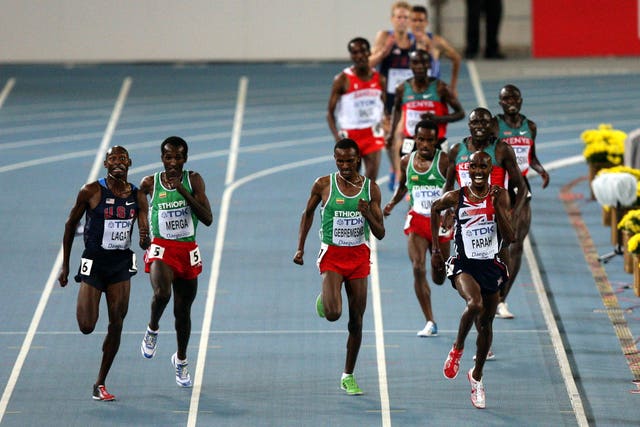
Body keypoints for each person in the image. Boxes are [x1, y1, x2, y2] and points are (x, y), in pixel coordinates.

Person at [293, 138, 385, 395]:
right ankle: (326, 297)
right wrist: (300, 247)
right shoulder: (323, 185)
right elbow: (307, 213)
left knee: (356, 321)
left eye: (349, 160)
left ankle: (348, 375)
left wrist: (367, 214)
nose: (345, 165)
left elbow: (381, 233)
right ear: (335, 159)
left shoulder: (371, 189)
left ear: (358, 159)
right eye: (340, 160)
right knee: (333, 314)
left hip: (358, 259)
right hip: (332, 256)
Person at [58, 146, 149, 401]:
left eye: (122, 159)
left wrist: (144, 237)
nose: (118, 162)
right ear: (106, 165)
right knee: (87, 326)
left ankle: (100, 383)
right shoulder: (91, 191)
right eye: (112, 159)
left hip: (120, 265)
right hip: (94, 262)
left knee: (117, 324)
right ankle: (89, 300)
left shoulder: (138, 196)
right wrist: (66, 265)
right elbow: (69, 225)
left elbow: (144, 227)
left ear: (129, 162)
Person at [431, 150, 515, 409]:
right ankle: (457, 349)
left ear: (490, 170)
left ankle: (476, 376)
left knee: (487, 324)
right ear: (467, 170)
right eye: (474, 167)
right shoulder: (457, 197)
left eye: (483, 167)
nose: (478, 171)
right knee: (474, 304)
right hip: (464, 265)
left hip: (490, 265)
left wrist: (495, 206)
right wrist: (436, 248)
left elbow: (510, 237)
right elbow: (434, 208)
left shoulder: (499, 195)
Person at [139, 136, 213, 388]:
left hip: (187, 249)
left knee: (183, 312)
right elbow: (137, 209)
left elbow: (207, 218)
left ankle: (180, 359)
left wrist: (183, 191)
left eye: (177, 157)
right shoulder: (150, 183)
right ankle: (152, 329)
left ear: (185, 159)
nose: (172, 162)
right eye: (168, 157)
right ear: (162, 158)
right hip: (161, 247)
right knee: (162, 293)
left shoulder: (194, 180)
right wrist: (142, 232)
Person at [383, 120, 452, 337]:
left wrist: (451, 212)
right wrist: (393, 203)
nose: (424, 144)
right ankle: (430, 321)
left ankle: (438, 272)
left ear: (436, 141)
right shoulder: (406, 161)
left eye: (429, 140)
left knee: (440, 277)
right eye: (420, 139)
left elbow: (455, 189)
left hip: (440, 226)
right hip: (417, 220)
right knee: (417, 267)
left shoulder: (445, 162)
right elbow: (403, 186)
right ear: (415, 139)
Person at [492, 84, 550, 319]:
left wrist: (541, 170)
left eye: (515, 97)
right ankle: (490, 290)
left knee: (517, 246)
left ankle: (502, 299)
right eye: (506, 98)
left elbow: (531, 156)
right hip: (502, 186)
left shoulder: (530, 126)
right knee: (497, 244)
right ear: (501, 103)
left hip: (522, 186)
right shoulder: (496, 125)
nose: (511, 101)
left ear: (521, 100)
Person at [388, 49, 464, 187]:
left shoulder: (440, 87)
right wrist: (391, 134)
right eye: (416, 63)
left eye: (424, 63)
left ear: (429, 65)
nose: (420, 66)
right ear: (410, 65)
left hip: (437, 142)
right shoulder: (402, 88)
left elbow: (460, 113)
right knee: (411, 182)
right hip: (411, 142)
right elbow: (397, 109)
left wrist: (437, 119)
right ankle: (413, 207)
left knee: (441, 181)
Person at [327, 37, 386, 181]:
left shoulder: (379, 79)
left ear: (369, 52)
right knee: (350, 181)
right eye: (355, 52)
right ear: (351, 55)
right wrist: (337, 137)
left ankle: (367, 204)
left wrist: (386, 123)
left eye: (362, 51)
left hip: (372, 133)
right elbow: (329, 113)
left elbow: (385, 107)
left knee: (371, 180)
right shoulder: (342, 79)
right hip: (350, 134)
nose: (359, 55)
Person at [409, 4, 462, 97]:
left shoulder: (435, 41)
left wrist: (453, 86)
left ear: (426, 22)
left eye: (420, 20)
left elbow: (456, 58)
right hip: (410, 92)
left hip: (432, 92)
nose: (417, 24)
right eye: (414, 20)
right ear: (409, 22)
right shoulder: (403, 42)